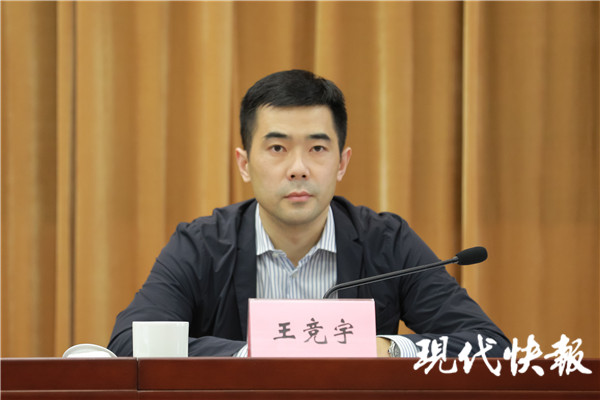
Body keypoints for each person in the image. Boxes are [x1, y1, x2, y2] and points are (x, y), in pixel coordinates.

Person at [108, 69, 509, 358]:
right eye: (277, 148)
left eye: (317, 148)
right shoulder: (202, 245)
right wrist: (253, 354)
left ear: (342, 163)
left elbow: (490, 345)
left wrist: (386, 348)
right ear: (244, 164)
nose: (298, 168)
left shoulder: (386, 242)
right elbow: (128, 342)